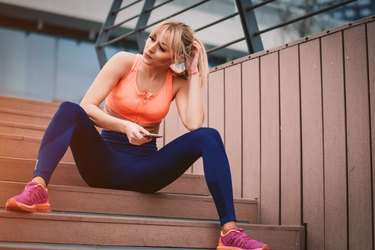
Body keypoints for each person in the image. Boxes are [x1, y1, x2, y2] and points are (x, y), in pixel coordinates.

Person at [5, 20, 268, 250]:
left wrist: (194, 72)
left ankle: (230, 232)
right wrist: (124, 126)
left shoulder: (177, 82)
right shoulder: (124, 62)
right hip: (103, 163)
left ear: (175, 58)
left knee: (208, 136)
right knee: (69, 109)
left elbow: (194, 123)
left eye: (162, 47)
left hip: (146, 170)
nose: (151, 47)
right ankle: (38, 188)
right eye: (152, 38)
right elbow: (87, 107)